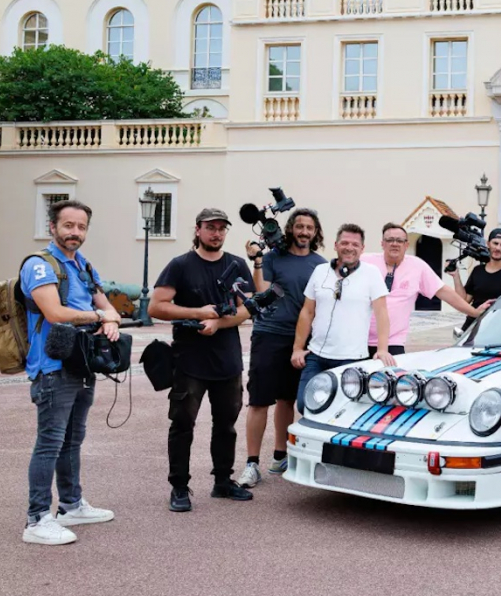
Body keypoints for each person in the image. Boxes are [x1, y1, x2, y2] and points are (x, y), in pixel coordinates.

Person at [20, 199, 119, 545]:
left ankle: (71, 505)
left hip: (82, 364)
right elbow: (55, 313)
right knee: (50, 442)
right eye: (68, 225)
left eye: (81, 227)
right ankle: (36, 519)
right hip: (53, 367)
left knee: (73, 440)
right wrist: (101, 317)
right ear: (52, 227)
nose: (75, 232)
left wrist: (110, 320)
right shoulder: (39, 265)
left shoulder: (84, 265)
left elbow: (106, 304)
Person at [150, 208, 256, 512]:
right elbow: (156, 306)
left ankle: (223, 481)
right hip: (189, 360)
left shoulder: (236, 264)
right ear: (198, 230)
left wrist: (218, 323)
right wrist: (198, 313)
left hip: (227, 359)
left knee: (226, 425)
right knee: (182, 424)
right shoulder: (180, 265)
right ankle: (179, 487)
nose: (216, 233)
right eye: (211, 227)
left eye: (221, 228)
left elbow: (247, 307)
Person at [237, 208, 327, 489]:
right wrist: (257, 260)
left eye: (309, 228)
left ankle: (280, 456)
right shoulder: (272, 258)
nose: (304, 232)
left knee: (287, 400)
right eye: (299, 226)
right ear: (291, 229)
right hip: (269, 334)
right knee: (259, 401)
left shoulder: (321, 264)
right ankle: (252, 464)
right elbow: (261, 289)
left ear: (315, 232)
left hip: (301, 340)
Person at [293, 223, 395, 404]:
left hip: (352, 359)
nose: (349, 248)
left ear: (362, 248)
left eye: (355, 244)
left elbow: (381, 314)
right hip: (316, 355)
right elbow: (307, 312)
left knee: (343, 408)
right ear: (336, 245)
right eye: (345, 243)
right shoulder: (320, 271)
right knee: (305, 404)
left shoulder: (371, 273)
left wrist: (382, 350)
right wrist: (297, 349)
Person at [361, 223, 487, 357]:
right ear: (382, 243)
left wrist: (473, 312)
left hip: (393, 341)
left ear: (406, 245)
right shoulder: (364, 262)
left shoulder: (417, 266)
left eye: (399, 240)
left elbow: (444, 292)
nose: (394, 244)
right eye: (390, 240)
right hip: (360, 338)